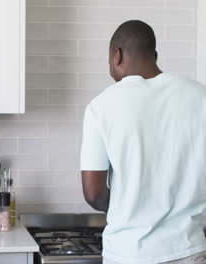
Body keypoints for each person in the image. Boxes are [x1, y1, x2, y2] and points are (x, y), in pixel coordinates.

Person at [80, 20, 206, 264]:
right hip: (188, 249)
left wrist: (129, 204)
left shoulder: (101, 106)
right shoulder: (201, 98)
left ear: (117, 55)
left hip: (128, 253)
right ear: (154, 55)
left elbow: (94, 193)